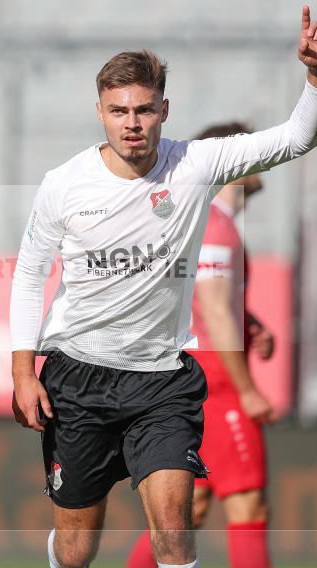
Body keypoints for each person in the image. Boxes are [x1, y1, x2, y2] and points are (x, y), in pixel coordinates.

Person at [11, 6, 317, 568]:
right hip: (78, 376)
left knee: (176, 531)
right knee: (77, 548)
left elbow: (297, 138)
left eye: (142, 110)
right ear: (100, 113)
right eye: (118, 111)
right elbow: (28, 274)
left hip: (162, 382)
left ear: (164, 108)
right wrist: (21, 372)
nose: (131, 122)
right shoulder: (63, 185)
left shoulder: (196, 164)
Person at [127, 123, 277, 568]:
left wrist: (249, 322)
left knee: (186, 511)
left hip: (191, 379)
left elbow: (203, 294)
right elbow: (213, 309)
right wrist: (247, 388)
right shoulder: (215, 224)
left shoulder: (204, 220)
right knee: (249, 508)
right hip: (215, 386)